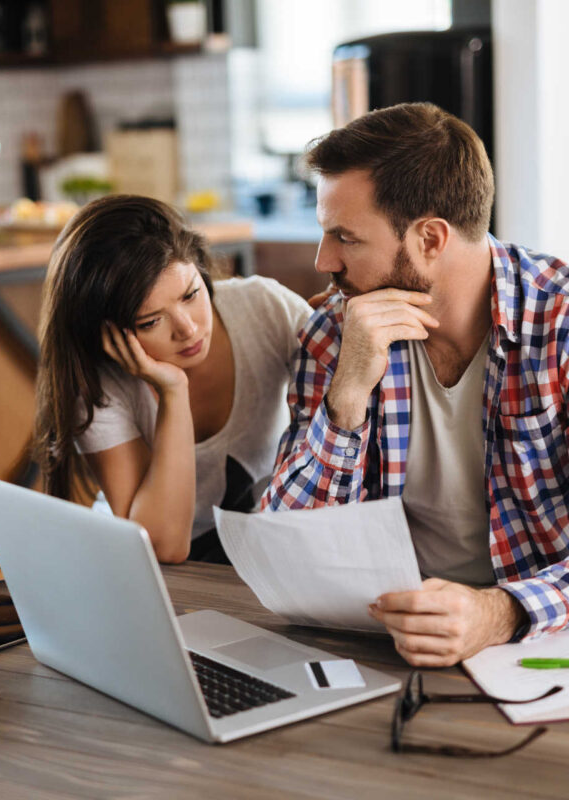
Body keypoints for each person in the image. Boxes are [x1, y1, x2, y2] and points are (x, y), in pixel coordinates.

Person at [262, 102, 569, 667]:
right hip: (384, 640)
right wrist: (347, 395)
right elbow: (284, 549)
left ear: (430, 238)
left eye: (345, 238)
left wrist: (498, 613)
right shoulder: (335, 333)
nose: (322, 259)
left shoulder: (559, 325)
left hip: (539, 645)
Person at [35, 194, 312, 563]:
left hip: (263, 556)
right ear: (106, 332)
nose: (188, 329)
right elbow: (163, 546)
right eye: (151, 321)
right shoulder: (98, 385)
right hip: (152, 573)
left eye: (191, 294)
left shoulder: (265, 308)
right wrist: (173, 390)